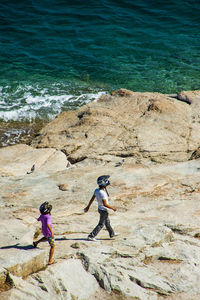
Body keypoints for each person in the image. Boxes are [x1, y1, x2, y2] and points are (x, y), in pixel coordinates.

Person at [84, 175, 118, 241]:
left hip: (100, 209)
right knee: (101, 224)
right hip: (104, 210)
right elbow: (105, 204)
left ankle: (112, 233)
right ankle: (91, 236)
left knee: (107, 222)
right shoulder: (103, 193)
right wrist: (113, 208)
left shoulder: (96, 190)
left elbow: (92, 198)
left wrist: (88, 206)